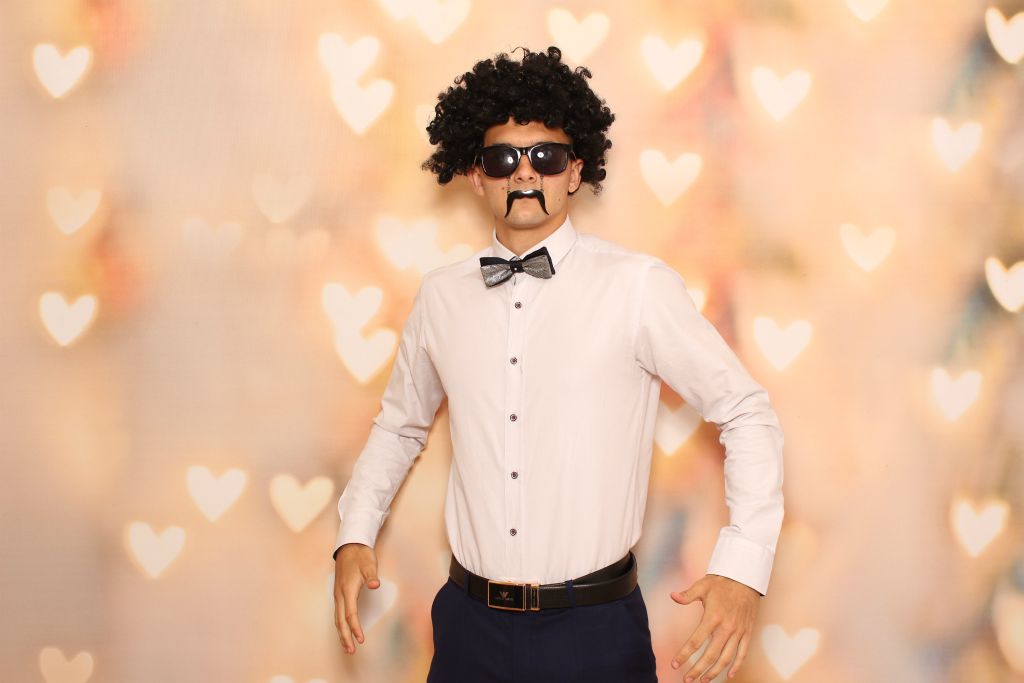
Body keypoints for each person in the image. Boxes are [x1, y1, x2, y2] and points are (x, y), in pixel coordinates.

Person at [332, 45, 785, 683]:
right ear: (476, 175)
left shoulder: (636, 288)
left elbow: (745, 411)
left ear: (575, 170)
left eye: (545, 156)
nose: (524, 174)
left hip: (594, 634)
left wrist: (743, 567)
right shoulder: (440, 298)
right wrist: (355, 531)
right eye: (502, 159)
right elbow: (400, 425)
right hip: (467, 628)